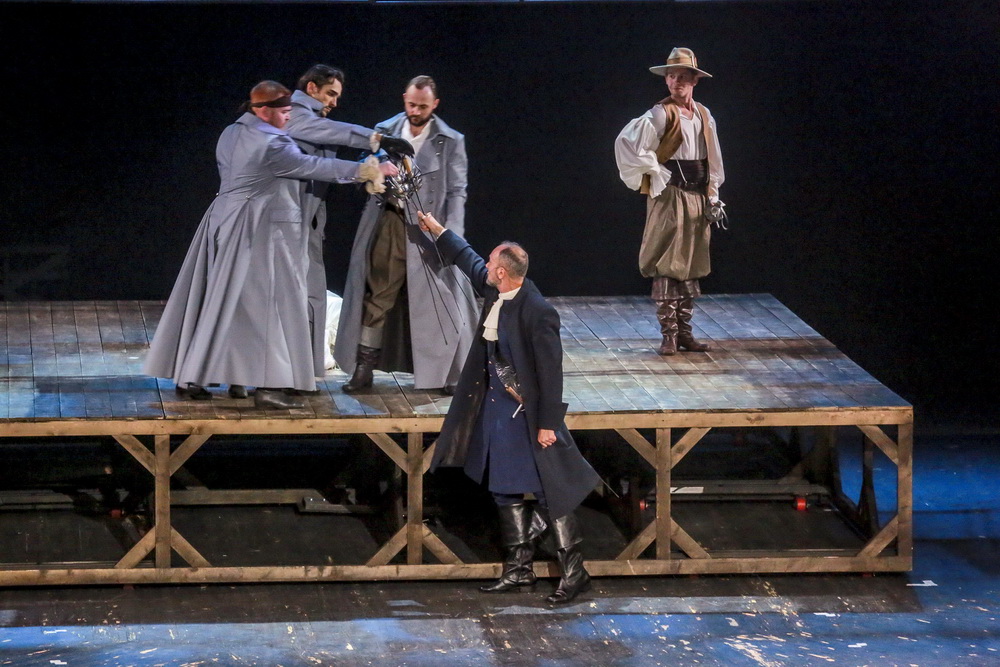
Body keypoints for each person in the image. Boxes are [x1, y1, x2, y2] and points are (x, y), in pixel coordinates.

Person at [143, 81, 396, 409]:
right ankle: (269, 386)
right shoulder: (272, 143)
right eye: (284, 112)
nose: (289, 118)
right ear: (263, 111)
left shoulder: (231, 132)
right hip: (256, 229)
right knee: (269, 303)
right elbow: (314, 166)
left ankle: (194, 377)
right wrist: (368, 170)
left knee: (220, 300)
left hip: (221, 220)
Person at [418, 211, 600, 606]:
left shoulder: (537, 311)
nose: (485, 266)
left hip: (530, 415)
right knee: (504, 488)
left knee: (553, 492)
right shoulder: (495, 291)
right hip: (497, 409)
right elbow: (467, 258)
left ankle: (575, 574)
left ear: (502, 272)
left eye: (491, 263)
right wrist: (437, 230)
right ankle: (519, 570)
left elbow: (551, 373)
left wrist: (548, 423)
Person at [336, 76, 477, 394]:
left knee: (441, 302)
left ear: (435, 105)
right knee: (379, 295)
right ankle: (364, 368)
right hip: (392, 221)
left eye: (423, 106)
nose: (416, 111)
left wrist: (452, 236)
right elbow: (363, 165)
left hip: (432, 230)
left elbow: (457, 191)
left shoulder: (450, 140)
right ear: (404, 99)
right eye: (411, 104)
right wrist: (375, 166)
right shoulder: (384, 130)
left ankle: (448, 373)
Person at [283, 65, 413, 381]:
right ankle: (281, 371)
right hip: (286, 223)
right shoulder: (294, 114)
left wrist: (372, 166)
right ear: (311, 88)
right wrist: (376, 139)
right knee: (291, 296)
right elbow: (323, 154)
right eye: (330, 93)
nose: (334, 102)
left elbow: (328, 164)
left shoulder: (313, 119)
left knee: (313, 295)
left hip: (307, 223)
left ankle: (304, 369)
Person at [615, 47, 725, 356]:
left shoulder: (703, 114)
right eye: (672, 77)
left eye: (682, 77)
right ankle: (669, 334)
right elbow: (627, 143)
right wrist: (656, 172)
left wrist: (713, 193)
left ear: (694, 81)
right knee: (666, 261)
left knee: (690, 262)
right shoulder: (660, 114)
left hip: (697, 195)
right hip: (670, 195)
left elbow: (713, 157)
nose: (676, 82)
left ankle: (685, 332)